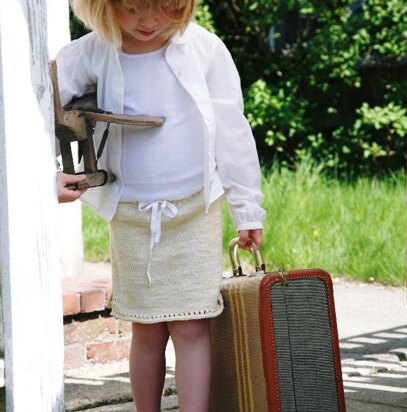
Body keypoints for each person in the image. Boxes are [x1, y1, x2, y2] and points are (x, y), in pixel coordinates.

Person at [56, 0, 266, 410]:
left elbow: (232, 132)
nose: (148, 22)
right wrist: (47, 174)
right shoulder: (94, 51)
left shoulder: (204, 48)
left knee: (191, 326)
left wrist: (247, 210)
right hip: (132, 215)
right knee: (148, 330)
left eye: (165, 8)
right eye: (132, 10)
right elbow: (39, 107)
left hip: (194, 212)